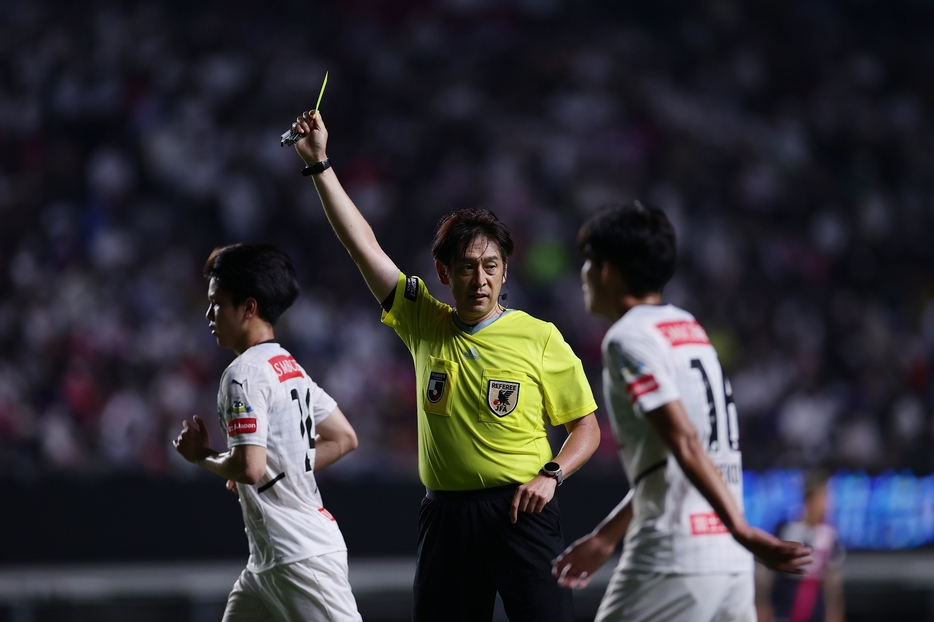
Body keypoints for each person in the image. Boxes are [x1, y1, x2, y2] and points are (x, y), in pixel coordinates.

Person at [289, 110, 601, 622]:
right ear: (443, 273)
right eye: (466, 267)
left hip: (523, 512)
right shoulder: (423, 321)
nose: (480, 278)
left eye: (491, 266)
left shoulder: (539, 336)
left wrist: (552, 474)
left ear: (504, 272)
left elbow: (585, 427)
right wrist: (320, 164)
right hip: (446, 517)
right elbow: (362, 244)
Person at [551, 203, 812, 622]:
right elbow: (673, 461)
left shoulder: (627, 339)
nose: (582, 275)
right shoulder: (689, 329)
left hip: (675, 553)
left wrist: (744, 531)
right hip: (728, 562)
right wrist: (605, 538)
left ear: (606, 271)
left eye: (588, 262)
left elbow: (683, 440)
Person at [173, 243, 362, 622]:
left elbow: (250, 468)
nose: (209, 314)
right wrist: (273, 464)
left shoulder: (242, 374)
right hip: (267, 563)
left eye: (217, 303)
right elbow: (344, 438)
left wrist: (203, 456)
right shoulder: (287, 365)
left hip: (300, 555)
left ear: (249, 307)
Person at [757, 470, 846, 622]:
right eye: (825, 496)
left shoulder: (829, 535)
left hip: (815, 613)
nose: (829, 503)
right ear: (811, 497)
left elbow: (832, 581)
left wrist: (835, 612)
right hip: (783, 610)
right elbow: (766, 574)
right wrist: (762, 604)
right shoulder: (786, 529)